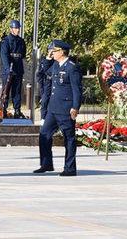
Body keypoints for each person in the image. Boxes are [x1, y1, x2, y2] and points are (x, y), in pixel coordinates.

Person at [33, 40, 82, 176]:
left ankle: (70, 168)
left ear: (62, 51)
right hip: (53, 108)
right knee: (44, 134)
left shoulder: (72, 67)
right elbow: (44, 71)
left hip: (66, 109)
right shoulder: (55, 64)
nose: (52, 53)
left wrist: (75, 107)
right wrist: (48, 58)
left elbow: (77, 89)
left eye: (54, 51)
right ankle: (46, 164)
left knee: (69, 139)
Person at [0, 20, 27, 118]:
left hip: (18, 68)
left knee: (17, 91)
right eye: (16, 28)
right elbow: (4, 55)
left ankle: (17, 110)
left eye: (18, 28)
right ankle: (3, 110)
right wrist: (8, 69)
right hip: (9, 69)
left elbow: (22, 54)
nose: (18, 30)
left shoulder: (21, 41)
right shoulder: (6, 41)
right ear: (11, 29)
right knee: (6, 90)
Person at [37, 42, 55, 121]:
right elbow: (40, 75)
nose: (51, 53)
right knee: (44, 102)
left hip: (55, 83)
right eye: (50, 50)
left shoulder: (57, 61)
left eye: (53, 51)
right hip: (46, 84)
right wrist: (41, 90)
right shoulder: (44, 60)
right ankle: (43, 120)